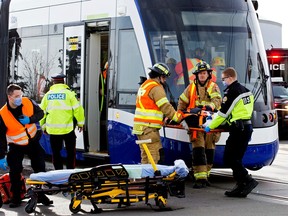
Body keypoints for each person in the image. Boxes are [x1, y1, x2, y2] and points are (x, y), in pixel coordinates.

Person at [204, 67, 258, 197]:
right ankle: (241, 186)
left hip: (238, 130)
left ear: (230, 77)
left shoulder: (232, 91)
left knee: (229, 157)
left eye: (223, 79)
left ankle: (247, 180)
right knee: (236, 159)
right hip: (246, 128)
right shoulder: (246, 91)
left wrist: (209, 126)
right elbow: (240, 112)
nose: (223, 81)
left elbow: (223, 114)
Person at [0, 84, 52, 208]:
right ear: (10, 97)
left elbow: (41, 113)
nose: (20, 98)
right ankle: (16, 198)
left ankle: (40, 194)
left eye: (21, 95)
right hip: (16, 145)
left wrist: (30, 119)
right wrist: (1, 156)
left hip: (33, 142)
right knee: (15, 171)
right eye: (17, 96)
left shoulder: (27, 102)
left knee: (40, 167)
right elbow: (1, 137)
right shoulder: (2, 114)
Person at [132, 63, 188, 164]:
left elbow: (150, 106)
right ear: (158, 76)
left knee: (145, 155)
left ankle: (146, 178)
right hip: (149, 129)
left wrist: (163, 119)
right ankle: (152, 178)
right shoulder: (156, 87)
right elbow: (165, 106)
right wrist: (179, 119)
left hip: (140, 128)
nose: (165, 80)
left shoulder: (145, 85)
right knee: (154, 156)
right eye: (163, 77)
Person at [177, 61, 222, 188]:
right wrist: (180, 116)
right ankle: (200, 177)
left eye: (204, 73)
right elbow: (182, 102)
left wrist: (209, 107)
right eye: (200, 73)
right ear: (196, 75)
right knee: (198, 150)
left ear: (208, 74)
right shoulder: (190, 88)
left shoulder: (213, 87)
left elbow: (217, 101)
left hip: (209, 124)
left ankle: (205, 175)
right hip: (196, 126)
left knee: (209, 150)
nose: (202, 75)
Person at [40, 73, 85, 170]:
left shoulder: (47, 96)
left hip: (53, 130)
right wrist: (80, 124)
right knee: (70, 152)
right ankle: (69, 172)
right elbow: (78, 110)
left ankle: (58, 173)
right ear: (63, 82)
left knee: (55, 153)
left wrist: (43, 127)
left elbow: (41, 113)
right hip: (68, 129)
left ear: (53, 82)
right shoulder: (70, 94)